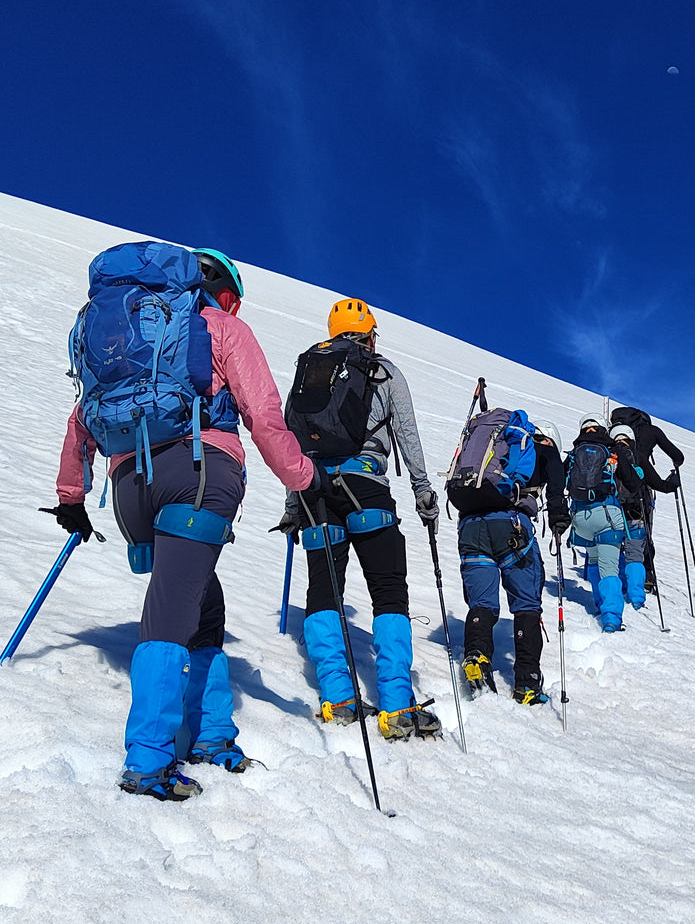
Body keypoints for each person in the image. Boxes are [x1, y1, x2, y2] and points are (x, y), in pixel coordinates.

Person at [48, 247, 320, 802]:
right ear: (225, 292)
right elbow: (263, 416)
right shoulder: (217, 326)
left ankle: (213, 731)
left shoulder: (123, 330)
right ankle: (148, 759)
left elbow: (82, 417)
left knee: (198, 596)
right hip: (197, 474)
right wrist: (303, 478)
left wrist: (72, 496)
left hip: (129, 488)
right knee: (172, 610)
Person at [277, 297, 442, 741]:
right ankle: (396, 706)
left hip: (314, 493)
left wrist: (294, 507)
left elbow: (294, 444)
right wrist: (424, 493)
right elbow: (408, 434)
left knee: (323, 591)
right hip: (366, 486)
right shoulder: (382, 370)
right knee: (388, 592)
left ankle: (339, 699)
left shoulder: (311, 372)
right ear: (370, 332)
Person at [446, 408, 548, 705]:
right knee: (527, 604)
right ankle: (527, 682)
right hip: (510, 525)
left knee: (482, 603)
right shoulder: (519, 431)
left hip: (470, 526)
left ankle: (477, 656)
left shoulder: (476, 434)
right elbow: (528, 474)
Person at [564, 413, 644, 632]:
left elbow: (560, 480)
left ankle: (599, 605)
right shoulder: (613, 451)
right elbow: (633, 483)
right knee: (609, 568)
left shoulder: (574, 453)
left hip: (580, 518)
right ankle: (611, 617)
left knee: (593, 561)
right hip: (607, 514)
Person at [610, 406, 684, 593]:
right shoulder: (650, 431)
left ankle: (612, 572)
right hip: (640, 491)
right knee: (642, 533)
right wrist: (673, 477)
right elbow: (677, 456)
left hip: (612, 491)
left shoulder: (613, 433)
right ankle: (646, 576)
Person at [609, 423, 648, 611]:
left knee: (613, 552)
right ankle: (637, 597)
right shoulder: (638, 457)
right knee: (635, 556)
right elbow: (653, 481)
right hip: (634, 512)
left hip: (613, 513)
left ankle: (619, 586)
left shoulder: (608, 454)